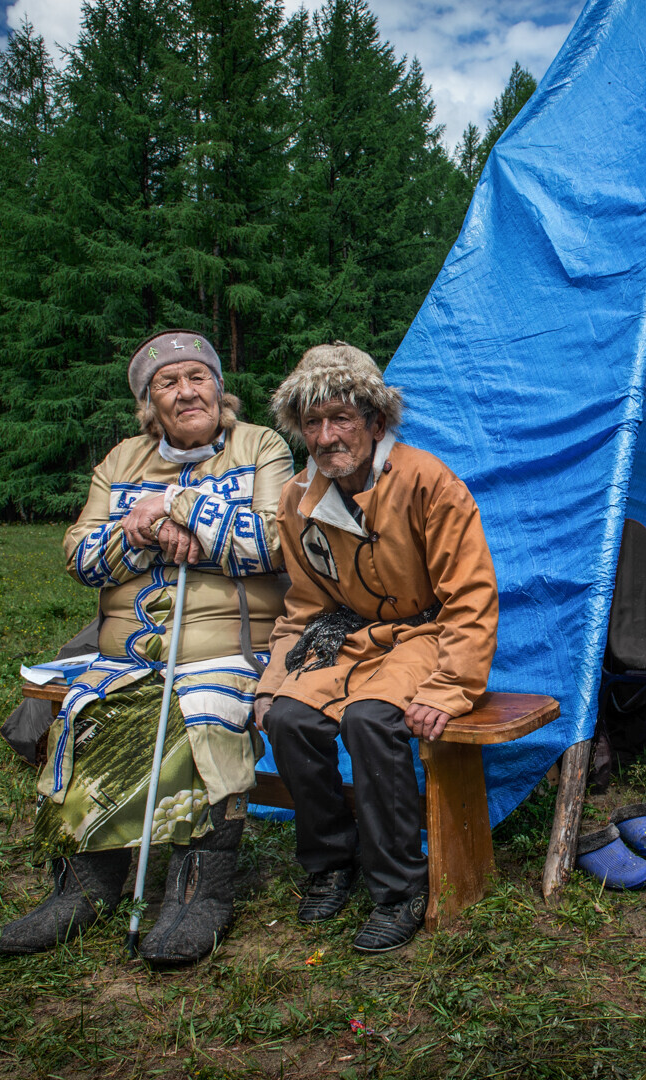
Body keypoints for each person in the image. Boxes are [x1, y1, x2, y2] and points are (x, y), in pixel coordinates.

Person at [0, 330, 293, 964]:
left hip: (226, 647)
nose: (187, 392)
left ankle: (198, 893)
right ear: (148, 404)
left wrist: (180, 506)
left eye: (198, 378)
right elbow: (79, 556)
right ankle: (83, 885)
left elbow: (274, 541)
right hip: (127, 649)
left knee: (207, 715)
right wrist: (143, 532)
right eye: (169, 383)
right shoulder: (120, 461)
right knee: (82, 713)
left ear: (219, 387)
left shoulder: (259, 445)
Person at [254, 344, 498, 954]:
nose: (328, 436)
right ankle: (329, 864)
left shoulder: (425, 480)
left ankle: (399, 888)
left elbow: (469, 594)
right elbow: (306, 606)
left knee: (371, 720)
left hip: (426, 634)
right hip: (350, 637)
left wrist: (452, 685)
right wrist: (270, 682)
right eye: (313, 422)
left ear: (375, 421)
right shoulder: (298, 498)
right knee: (286, 717)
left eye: (342, 418)